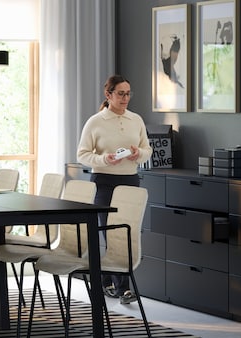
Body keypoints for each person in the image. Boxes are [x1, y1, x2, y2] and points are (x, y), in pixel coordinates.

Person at [77, 74, 153, 304]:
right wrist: (105, 160)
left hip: (131, 182)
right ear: (108, 95)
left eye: (128, 93)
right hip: (104, 183)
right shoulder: (95, 121)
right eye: (120, 93)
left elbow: (147, 150)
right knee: (112, 235)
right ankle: (123, 288)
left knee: (128, 235)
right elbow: (82, 155)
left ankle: (109, 283)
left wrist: (137, 153)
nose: (125, 98)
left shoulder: (136, 120)